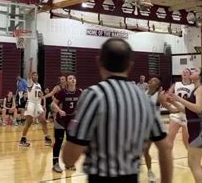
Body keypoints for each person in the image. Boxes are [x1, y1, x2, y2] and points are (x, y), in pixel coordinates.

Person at [62, 38, 173, 183]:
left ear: (99, 61)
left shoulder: (93, 95)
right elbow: (165, 148)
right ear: (130, 65)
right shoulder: (143, 98)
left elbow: (70, 157)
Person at [168, 68, 202, 183]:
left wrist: (179, 99)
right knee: (194, 163)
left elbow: (198, 108)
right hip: (195, 127)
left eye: (195, 71)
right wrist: (174, 102)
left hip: (201, 128)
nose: (192, 71)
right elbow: (187, 110)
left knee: (194, 165)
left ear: (201, 76)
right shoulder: (196, 89)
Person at [51, 75, 82, 173]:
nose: (73, 79)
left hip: (71, 121)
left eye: (74, 78)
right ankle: (55, 164)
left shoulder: (79, 92)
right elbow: (53, 104)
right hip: (61, 120)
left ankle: (69, 164)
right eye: (70, 79)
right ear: (67, 82)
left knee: (70, 143)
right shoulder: (62, 92)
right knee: (59, 142)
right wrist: (59, 110)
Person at [161, 68, 194, 150]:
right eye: (183, 71)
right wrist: (164, 97)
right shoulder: (176, 84)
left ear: (190, 75)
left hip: (188, 114)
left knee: (186, 141)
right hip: (176, 113)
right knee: (170, 139)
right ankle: (168, 159)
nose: (184, 72)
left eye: (187, 72)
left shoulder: (193, 86)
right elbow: (168, 95)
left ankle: (192, 160)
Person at [19, 72, 52, 147]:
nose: (35, 76)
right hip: (31, 103)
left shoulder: (39, 85)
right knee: (29, 122)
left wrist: (41, 95)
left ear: (38, 76)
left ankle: (47, 138)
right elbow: (29, 75)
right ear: (31, 77)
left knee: (43, 121)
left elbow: (40, 94)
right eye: (33, 75)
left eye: (36, 75)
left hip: (37, 104)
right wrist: (30, 63)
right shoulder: (30, 83)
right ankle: (22, 139)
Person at [142, 77, 164, 182]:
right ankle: (150, 171)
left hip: (156, 127)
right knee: (145, 151)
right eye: (151, 79)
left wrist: (175, 109)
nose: (151, 80)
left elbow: (166, 105)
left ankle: (163, 173)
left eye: (154, 80)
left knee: (163, 151)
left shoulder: (159, 95)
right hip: (145, 126)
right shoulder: (144, 93)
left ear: (157, 85)